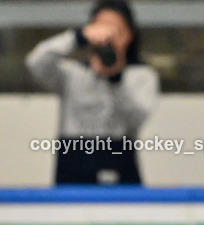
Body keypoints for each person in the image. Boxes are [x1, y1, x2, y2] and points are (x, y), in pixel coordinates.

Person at [25, 0, 159, 184]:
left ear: (130, 35)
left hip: (118, 154)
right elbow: (36, 62)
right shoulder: (72, 73)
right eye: (103, 29)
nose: (109, 38)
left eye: (117, 31)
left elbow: (137, 118)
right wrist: (77, 37)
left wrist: (116, 80)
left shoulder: (141, 75)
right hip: (74, 156)